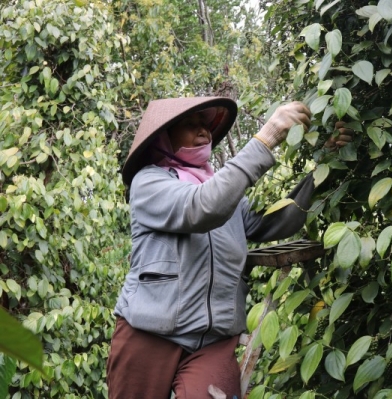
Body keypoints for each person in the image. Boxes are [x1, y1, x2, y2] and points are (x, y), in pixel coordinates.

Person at [107, 96, 353, 399]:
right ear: (164, 138)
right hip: (149, 333)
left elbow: (275, 223)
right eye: (190, 125)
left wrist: (322, 167)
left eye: (205, 126)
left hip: (213, 339)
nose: (204, 131)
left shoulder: (222, 189)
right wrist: (266, 139)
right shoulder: (149, 183)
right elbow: (202, 207)